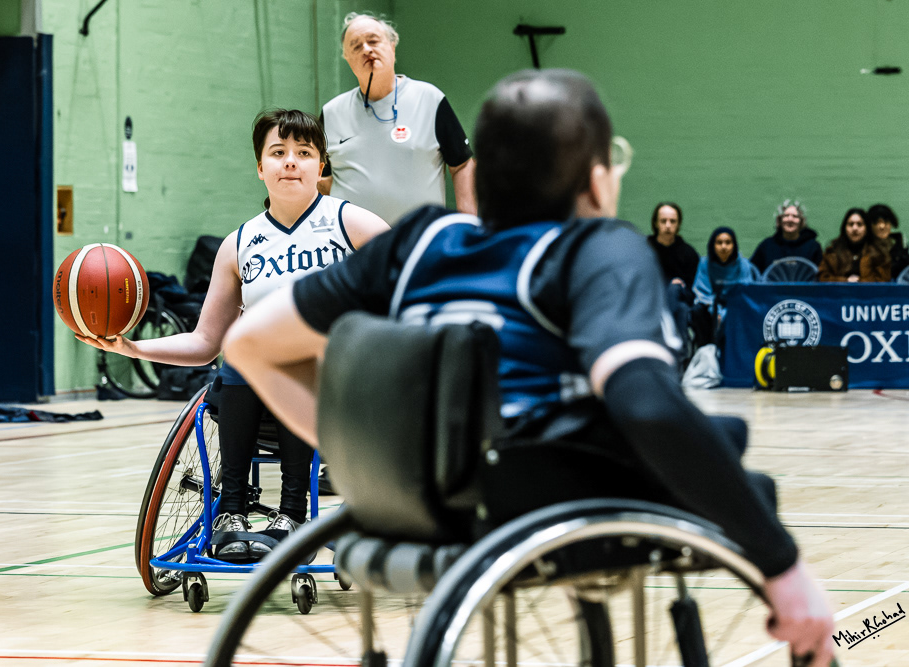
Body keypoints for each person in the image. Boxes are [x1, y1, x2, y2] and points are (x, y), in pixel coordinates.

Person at [223, 69, 834, 666]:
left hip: (412, 496)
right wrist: (783, 567)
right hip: (527, 499)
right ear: (597, 179)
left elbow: (247, 344)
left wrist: (357, 451)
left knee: (718, 439)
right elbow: (646, 404)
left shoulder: (421, 241)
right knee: (727, 462)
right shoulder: (598, 247)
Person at [77, 108, 388, 559]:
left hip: (338, 392)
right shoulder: (239, 244)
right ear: (260, 167)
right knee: (240, 355)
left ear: (321, 167)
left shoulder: (353, 224)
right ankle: (231, 513)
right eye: (278, 152)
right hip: (256, 394)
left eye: (303, 153)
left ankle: (292, 513)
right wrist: (131, 346)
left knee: (299, 356)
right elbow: (206, 343)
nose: (290, 161)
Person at [317, 12, 476, 225]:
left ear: (392, 46)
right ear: (348, 59)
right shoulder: (331, 113)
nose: (366, 49)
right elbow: (322, 180)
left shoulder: (429, 99)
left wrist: (468, 223)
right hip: (352, 242)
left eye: (373, 40)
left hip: (419, 238)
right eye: (356, 46)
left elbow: (462, 164)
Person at [692, 226, 760, 341]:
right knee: (697, 311)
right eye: (719, 243)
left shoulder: (743, 265)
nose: (724, 247)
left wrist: (725, 313)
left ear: (734, 245)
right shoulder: (704, 263)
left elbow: (745, 292)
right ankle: (705, 347)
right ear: (713, 245)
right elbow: (702, 292)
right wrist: (716, 311)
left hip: (735, 305)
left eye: (728, 242)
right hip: (711, 304)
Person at [749, 200, 823, 274]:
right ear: (780, 220)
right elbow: (752, 272)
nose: (790, 219)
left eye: (795, 216)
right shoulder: (767, 245)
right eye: (786, 216)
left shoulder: (813, 247)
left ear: (801, 221)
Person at [818, 208, 891, 283]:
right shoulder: (833, 252)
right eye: (851, 224)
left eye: (859, 224)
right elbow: (823, 277)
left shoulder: (878, 253)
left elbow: (883, 280)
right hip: (839, 290)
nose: (855, 228)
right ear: (844, 228)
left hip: (868, 290)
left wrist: (859, 282)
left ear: (866, 228)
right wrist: (846, 281)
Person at [646, 202, 699, 288]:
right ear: (656, 223)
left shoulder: (688, 253)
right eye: (663, 221)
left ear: (678, 224)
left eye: (672, 221)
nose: (668, 225)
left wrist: (681, 285)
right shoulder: (644, 249)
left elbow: (694, 287)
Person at [866, 203, 908, 281]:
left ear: (891, 223)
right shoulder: (864, 247)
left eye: (886, 221)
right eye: (876, 222)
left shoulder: (901, 244)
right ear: (869, 225)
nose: (882, 226)